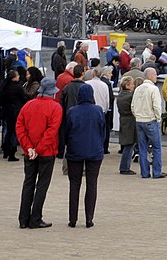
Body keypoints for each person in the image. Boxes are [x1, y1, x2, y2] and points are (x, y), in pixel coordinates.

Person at [16, 77, 62, 229]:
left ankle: (23, 218)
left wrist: (28, 147)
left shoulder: (28, 105)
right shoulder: (55, 108)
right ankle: (35, 218)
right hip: (46, 152)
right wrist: (38, 149)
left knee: (28, 183)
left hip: (29, 151)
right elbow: (51, 131)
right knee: (42, 184)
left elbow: (20, 127)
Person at [64, 84, 105, 228]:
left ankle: (72, 218)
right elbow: (102, 130)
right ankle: (89, 218)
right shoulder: (98, 111)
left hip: (75, 150)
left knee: (74, 185)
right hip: (94, 150)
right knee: (92, 183)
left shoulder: (72, 111)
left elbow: (66, 131)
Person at [131, 68, 167, 179]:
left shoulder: (138, 89)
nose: (156, 76)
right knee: (156, 147)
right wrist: (158, 118)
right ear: (150, 76)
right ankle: (156, 172)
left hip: (139, 120)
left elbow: (133, 105)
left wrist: (137, 115)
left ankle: (145, 172)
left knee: (142, 148)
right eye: (155, 74)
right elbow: (156, 106)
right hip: (150, 120)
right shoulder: (153, 89)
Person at [1, 69, 27, 162]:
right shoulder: (18, 88)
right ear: (14, 78)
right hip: (15, 111)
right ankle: (12, 152)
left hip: (7, 110)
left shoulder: (4, 86)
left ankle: (5, 150)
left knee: (8, 131)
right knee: (14, 132)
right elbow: (24, 98)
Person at [116, 76, 137, 175]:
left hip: (123, 120)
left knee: (127, 145)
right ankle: (124, 167)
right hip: (130, 122)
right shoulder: (131, 96)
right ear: (127, 85)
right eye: (132, 84)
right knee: (129, 145)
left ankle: (124, 166)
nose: (133, 86)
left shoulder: (120, 96)